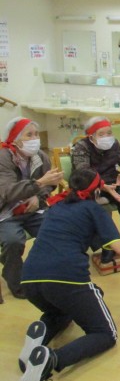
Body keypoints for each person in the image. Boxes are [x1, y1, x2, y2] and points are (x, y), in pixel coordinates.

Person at [18, 168, 120, 381]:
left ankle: (40, 334)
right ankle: (52, 359)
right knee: (105, 334)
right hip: (65, 279)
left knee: (64, 310)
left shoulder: (56, 206)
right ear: (97, 191)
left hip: (29, 279)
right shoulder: (93, 209)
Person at [0, 117, 63, 299]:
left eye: (36, 134)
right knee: (13, 241)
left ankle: (43, 271)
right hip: (7, 212)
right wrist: (39, 184)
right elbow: (8, 192)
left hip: (34, 209)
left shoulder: (40, 156)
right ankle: (16, 281)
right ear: (15, 139)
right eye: (29, 135)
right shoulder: (3, 158)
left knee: (55, 231)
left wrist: (38, 195)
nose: (35, 139)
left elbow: (50, 186)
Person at [71, 116, 120, 262]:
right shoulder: (81, 147)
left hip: (112, 182)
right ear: (91, 136)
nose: (107, 137)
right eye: (101, 134)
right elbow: (83, 174)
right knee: (94, 208)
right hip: (90, 186)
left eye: (109, 133)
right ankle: (107, 246)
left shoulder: (114, 144)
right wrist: (101, 186)